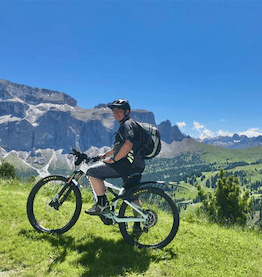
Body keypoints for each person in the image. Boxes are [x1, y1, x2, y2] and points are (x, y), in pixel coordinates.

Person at [85, 99, 145, 215]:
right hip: (136, 165)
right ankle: (139, 225)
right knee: (132, 194)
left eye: (120, 110)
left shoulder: (127, 125)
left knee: (92, 171)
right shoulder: (129, 124)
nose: (116, 113)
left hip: (126, 164)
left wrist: (113, 159)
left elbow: (128, 145)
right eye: (114, 110)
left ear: (127, 111)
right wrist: (105, 155)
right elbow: (118, 147)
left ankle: (102, 204)